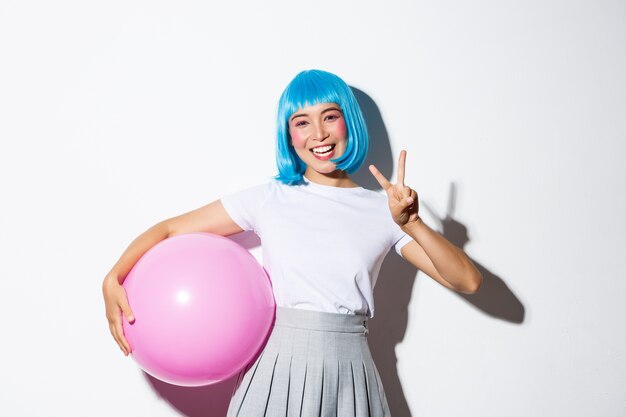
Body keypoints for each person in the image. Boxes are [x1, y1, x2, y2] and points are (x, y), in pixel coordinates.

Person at [102, 69, 482, 416]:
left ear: (348, 122)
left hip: (350, 373)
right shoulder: (270, 197)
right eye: (302, 122)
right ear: (289, 135)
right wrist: (113, 278)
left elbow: (467, 280)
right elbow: (169, 230)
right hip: (275, 369)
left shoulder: (384, 210)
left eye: (329, 116)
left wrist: (413, 223)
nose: (318, 134)